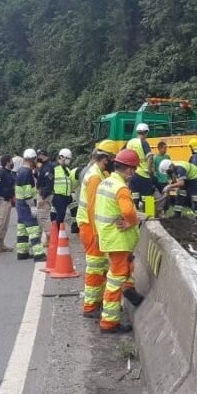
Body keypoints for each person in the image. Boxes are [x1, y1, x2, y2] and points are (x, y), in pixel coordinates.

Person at [94, 149, 144, 334]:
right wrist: (132, 222)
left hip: (109, 237)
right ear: (129, 170)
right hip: (118, 239)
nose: (133, 173)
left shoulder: (105, 182)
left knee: (125, 269)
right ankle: (109, 323)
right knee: (115, 281)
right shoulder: (121, 188)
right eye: (134, 169)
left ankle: (130, 291)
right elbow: (129, 213)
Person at [78, 143, 114, 319]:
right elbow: (93, 208)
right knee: (95, 267)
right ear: (105, 159)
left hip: (90, 226)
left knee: (100, 267)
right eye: (111, 159)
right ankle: (90, 306)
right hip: (90, 227)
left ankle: (96, 302)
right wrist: (98, 234)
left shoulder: (97, 173)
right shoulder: (94, 177)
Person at [15, 149, 46, 262]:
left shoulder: (20, 170)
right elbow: (28, 192)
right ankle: (39, 254)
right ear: (33, 159)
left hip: (20, 203)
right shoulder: (27, 173)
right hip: (26, 204)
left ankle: (22, 252)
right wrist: (32, 207)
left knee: (22, 229)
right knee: (33, 228)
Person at [125, 123, 157, 211]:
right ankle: (150, 215)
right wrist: (150, 170)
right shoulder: (143, 142)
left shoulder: (130, 142)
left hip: (132, 173)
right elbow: (150, 157)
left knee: (134, 195)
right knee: (148, 196)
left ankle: (135, 213)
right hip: (144, 173)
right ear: (146, 132)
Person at [52, 148, 78, 228]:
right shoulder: (54, 168)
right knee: (60, 215)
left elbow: (69, 181)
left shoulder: (66, 169)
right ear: (63, 157)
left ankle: (74, 228)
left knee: (74, 208)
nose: (69, 161)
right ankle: (57, 233)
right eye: (68, 159)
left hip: (67, 195)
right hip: (59, 195)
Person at [35, 149, 55, 245]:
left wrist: (43, 197)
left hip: (45, 195)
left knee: (43, 217)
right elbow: (39, 177)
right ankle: (44, 238)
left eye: (38, 156)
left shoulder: (47, 167)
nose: (37, 158)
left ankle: (49, 238)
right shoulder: (43, 166)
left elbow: (49, 184)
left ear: (42, 155)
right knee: (42, 216)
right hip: (44, 194)